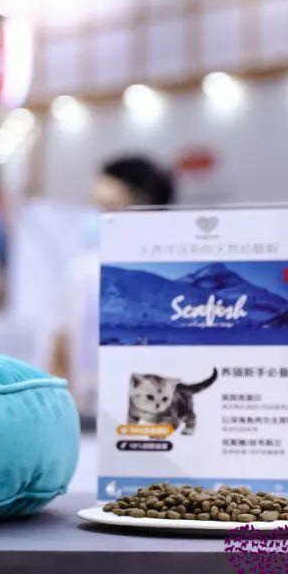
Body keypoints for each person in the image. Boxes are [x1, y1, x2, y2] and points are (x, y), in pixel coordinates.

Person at [50, 155, 176, 417]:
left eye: (111, 207)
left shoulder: (171, 276)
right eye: (98, 207)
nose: (102, 217)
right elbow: (60, 349)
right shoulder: (82, 272)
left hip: (153, 416)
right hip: (86, 413)